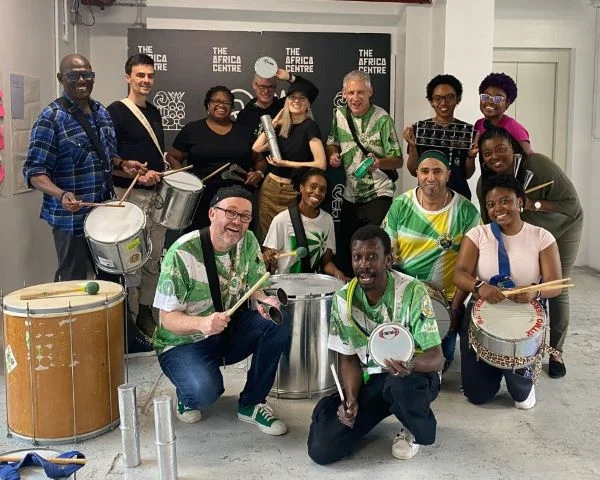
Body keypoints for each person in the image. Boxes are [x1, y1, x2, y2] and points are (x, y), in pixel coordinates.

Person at [153, 185, 291, 434]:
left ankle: (252, 403)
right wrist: (202, 324)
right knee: (205, 393)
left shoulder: (248, 241)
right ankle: (187, 394)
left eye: (245, 216)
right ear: (212, 214)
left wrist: (264, 302)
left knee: (278, 320)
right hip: (183, 341)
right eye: (230, 212)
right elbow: (167, 320)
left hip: (224, 331)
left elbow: (256, 286)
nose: (237, 222)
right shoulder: (182, 253)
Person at [307, 226, 443, 464]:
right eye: (357, 257)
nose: (364, 265)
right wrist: (350, 399)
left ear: (388, 259)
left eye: (372, 256)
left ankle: (413, 426)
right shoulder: (343, 299)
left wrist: (410, 366)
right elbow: (348, 358)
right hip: (375, 380)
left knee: (399, 387)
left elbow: (436, 358)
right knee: (322, 449)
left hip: (413, 378)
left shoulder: (412, 291)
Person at [24, 53, 147, 282]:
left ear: (93, 77)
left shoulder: (101, 112)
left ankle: (109, 319)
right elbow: (34, 173)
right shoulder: (51, 118)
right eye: (74, 76)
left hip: (103, 214)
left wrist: (123, 164)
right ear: (61, 78)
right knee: (74, 282)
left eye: (87, 75)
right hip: (71, 220)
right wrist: (61, 194)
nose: (82, 81)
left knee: (111, 279)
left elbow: (106, 157)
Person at [475, 126, 582, 378]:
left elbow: (571, 205)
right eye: (487, 153)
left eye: (501, 149)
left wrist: (530, 203)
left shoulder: (538, 166)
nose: (495, 157)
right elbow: (489, 221)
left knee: (557, 287)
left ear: (514, 149)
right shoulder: (486, 182)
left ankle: (556, 351)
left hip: (562, 225)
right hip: (525, 230)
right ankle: (514, 339)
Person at [453, 174, 563, 408]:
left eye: (505, 201)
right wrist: (479, 287)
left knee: (522, 400)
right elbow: (460, 274)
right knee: (478, 396)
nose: (498, 209)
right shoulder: (478, 235)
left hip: (524, 319)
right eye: (491, 204)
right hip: (482, 316)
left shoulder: (541, 237)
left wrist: (535, 292)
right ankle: (492, 368)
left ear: (520, 201)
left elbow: (556, 284)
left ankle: (518, 377)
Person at [383, 150, 480, 370]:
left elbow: (471, 267)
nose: (431, 177)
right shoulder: (401, 205)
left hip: (444, 303)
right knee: (401, 359)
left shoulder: (466, 211)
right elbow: (386, 254)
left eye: (437, 171)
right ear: (417, 173)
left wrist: (455, 309)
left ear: (448, 175)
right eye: (425, 171)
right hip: (405, 299)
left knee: (440, 363)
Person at [107, 53, 174, 338]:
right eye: (140, 76)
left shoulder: (155, 112)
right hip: (129, 195)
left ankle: (146, 311)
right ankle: (130, 318)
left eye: (150, 76)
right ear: (128, 78)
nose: (146, 81)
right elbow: (110, 159)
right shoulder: (116, 111)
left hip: (156, 195)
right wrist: (135, 175)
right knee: (131, 259)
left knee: (154, 257)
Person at [327, 70, 403, 278]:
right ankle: (349, 298)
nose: (355, 97)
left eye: (361, 92)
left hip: (378, 193)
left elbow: (398, 160)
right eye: (350, 92)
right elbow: (332, 142)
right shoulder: (340, 114)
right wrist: (333, 155)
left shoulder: (382, 119)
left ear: (370, 92)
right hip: (350, 195)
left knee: (373, 251)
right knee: (346, 253)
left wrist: (379, 163)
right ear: (343, 93)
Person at [165, 86, 264, 231]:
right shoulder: (192, 130)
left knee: (236, 241)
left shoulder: (245, 132)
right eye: (216, 101)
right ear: (208, 104)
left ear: (232, 107)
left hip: (237, 198)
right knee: (201, 242)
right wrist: (185, 182)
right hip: (201, 199)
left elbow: (260, 160)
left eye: (226, 103)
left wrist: (259, 173)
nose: (221, 105)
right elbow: (172, 156)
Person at [252, 80, 324, 238]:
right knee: (266, 238)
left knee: (290, 237)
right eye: (292, 97)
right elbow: (256, 148)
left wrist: (286, 163)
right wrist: (275, 122)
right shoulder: (280, 126)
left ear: (308, 104)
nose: (296, 101)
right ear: (286, 101)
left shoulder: (310, 126)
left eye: (302, 98)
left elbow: (321, 164)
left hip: (292, 191)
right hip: (270, 189)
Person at [262, 167, 346, 280]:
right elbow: (268, 257)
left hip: (312, 286)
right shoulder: (281, 220)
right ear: (301, 187)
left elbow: (327, 263)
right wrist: (269, 258)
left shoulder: (327, 220)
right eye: (313, 186)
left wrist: (337, 273)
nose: (317, 192)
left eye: (322, 190)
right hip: (286, 287)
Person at [403, 74, 478, 199]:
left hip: (458, 196)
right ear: (431, 101)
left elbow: (468, 174)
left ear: (458, 99)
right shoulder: (420, 129)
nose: (443, 103)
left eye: (449, 97)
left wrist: (471, 156)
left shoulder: (466, 132)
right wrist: (412, 146)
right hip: (428, 196)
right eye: (437, 98)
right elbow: (412, 171)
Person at [236, 67, 317, 137]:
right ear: (254, 85)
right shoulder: (245, 114)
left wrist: (289, 77)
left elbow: (312, 91)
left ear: (275, 87)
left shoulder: (286, 106)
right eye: (262, 86)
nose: (266, 91)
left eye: (270, 87)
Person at [474, 73, 532, 154]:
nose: (490, 101)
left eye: (498, 99)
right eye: (486, 96)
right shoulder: (479, 124)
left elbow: (530, 158)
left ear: (507, 105)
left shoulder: (515, 129)